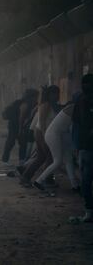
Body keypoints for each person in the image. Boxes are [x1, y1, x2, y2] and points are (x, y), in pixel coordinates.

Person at [20, 85, 61, 186]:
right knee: (48, 157)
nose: (56, 96)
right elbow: (42, 122)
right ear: (49, 94)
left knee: (42, 157)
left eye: (57, 93)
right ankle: (45, 179)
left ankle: (28, 178)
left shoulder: (52, 104)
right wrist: (45, 137)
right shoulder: (45, 104)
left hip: (44, 133)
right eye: (54, 94)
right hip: (42, 133)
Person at [33, 102, 79, 191]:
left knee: (68, 159)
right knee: (58, 161)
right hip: (54, 134)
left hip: (60, 134)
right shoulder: (75, 108)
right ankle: (38, 181)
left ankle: (74, 185)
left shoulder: (73, 107)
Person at [72, 74, 93, 222]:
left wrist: (76, 146)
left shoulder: (80, 100)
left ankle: (89, 212)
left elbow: (76, 124)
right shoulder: (82, 100)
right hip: (86, 146)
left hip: (86, 146)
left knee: (86, 180)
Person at [1, 89, 39, 164]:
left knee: (19, 142)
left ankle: (19, 160)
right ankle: (6, 160)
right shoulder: (25, 104)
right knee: (13, 142)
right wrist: (20, 129)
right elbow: (21, 118)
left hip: (15, 124)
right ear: (31, 97)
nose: (37, 98)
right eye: (36, 96)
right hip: (15, 125)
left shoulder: (29, 103)